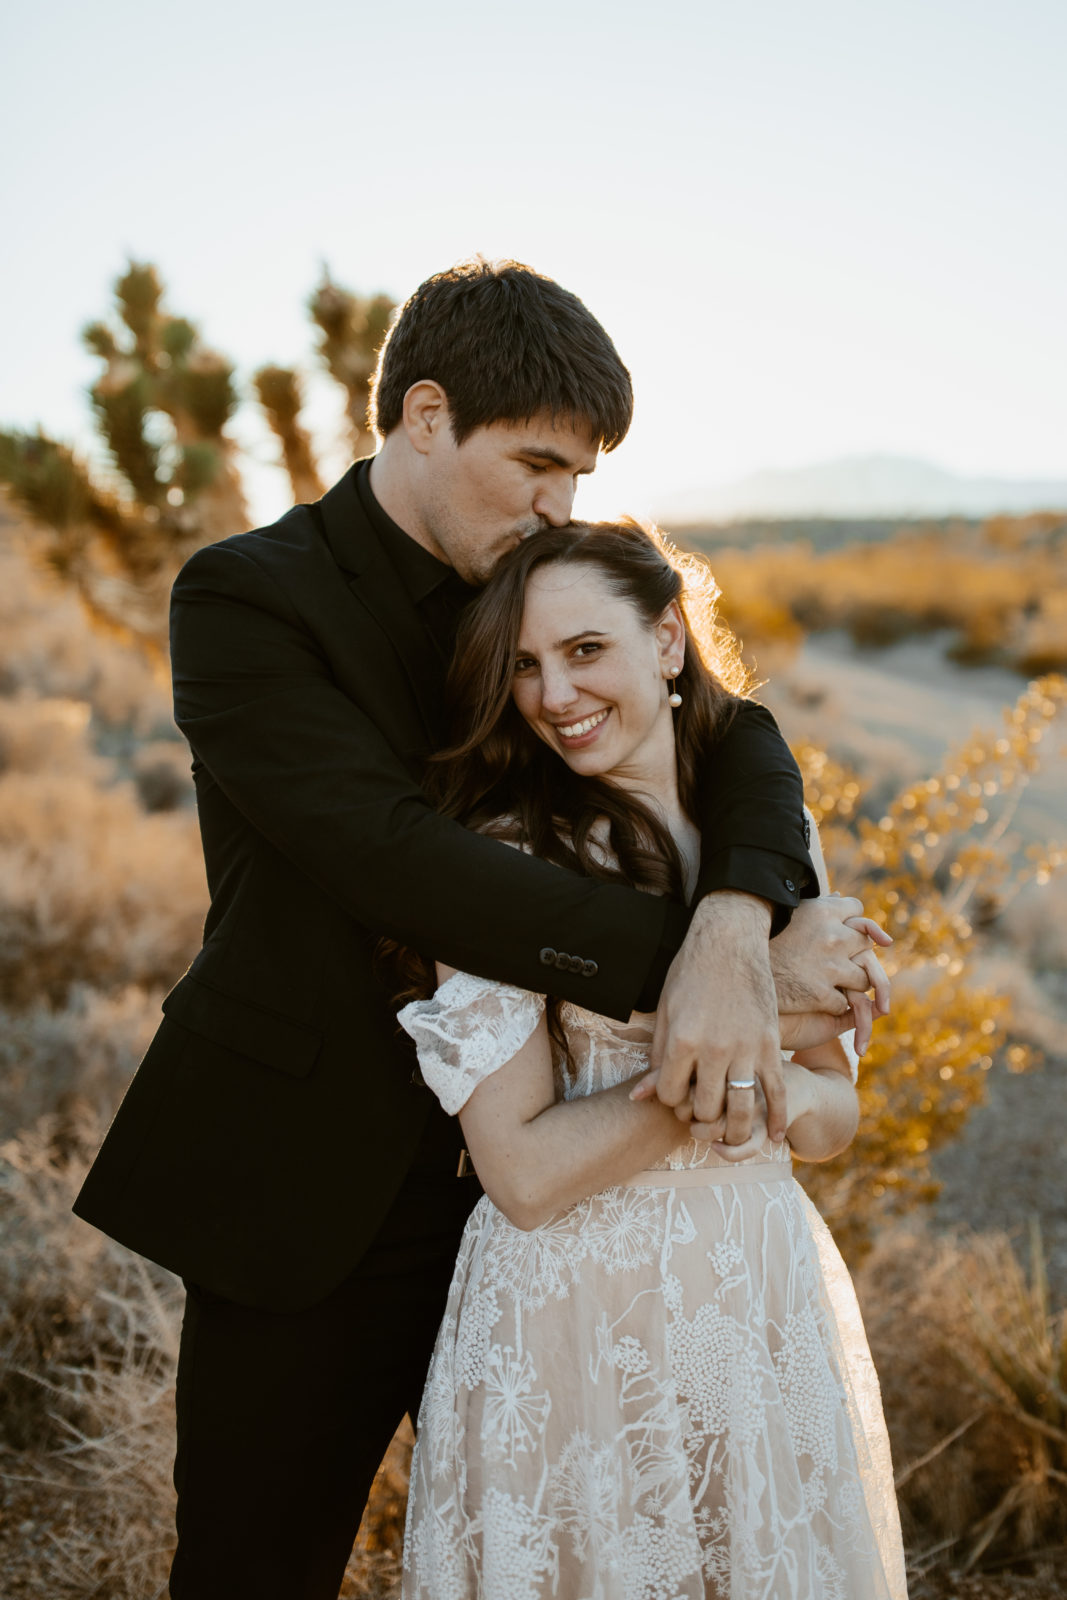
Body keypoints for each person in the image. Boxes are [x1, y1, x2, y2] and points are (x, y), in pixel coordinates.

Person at [72, 259, 885, 1599]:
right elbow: (392, 860)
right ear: (426, 415)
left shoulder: (540, 579)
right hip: (313, 1185)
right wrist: (685, 977)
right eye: (537, 465)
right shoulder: (245, 599)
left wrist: (738, 923)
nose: (560, 504)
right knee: (252, 1567)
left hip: (564, 1222)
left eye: (580, 475)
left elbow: (735, 733)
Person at [397, 518, 907, 1599]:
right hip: (574, 1315)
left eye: (586, 649)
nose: (553, 693)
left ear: (668, 640)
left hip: (752, 1294)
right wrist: (713, 1081)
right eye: (525, 665)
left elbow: (830, 1117)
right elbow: (523, 1175)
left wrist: (769, 1082)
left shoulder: (771, 847)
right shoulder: (496, 858)